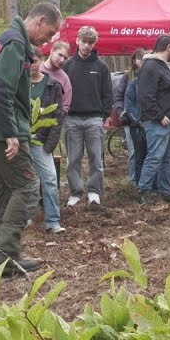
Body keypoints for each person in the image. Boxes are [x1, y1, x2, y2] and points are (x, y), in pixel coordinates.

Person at [0, 2, 63, 277]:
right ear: (41, 21)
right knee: (27, 187)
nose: (49, 40)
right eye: (51, 32)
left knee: (1, 193)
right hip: (1, 129)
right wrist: (10, 131)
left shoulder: (10, 38)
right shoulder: (15, 42)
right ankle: (7, 255)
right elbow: (0, 87)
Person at [136, 35, 170, 204]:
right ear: (168, 47)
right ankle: (144, 191)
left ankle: (166, 191)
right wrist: (159, 116)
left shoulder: (166, 67)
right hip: (158, 121)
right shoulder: (150, 67)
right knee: (155, 156)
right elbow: (145, 96)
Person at [63, 26, 113, 206]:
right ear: (77, 41)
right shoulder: (67, 65)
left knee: (96, 159)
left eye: (90, 43)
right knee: (73, 159)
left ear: (94, 44)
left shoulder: (101, 67)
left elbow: (108, 94)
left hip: (94, 119)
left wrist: (104, 115)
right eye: (84, 41)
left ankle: (94, 191)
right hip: (72, 119)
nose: (86, 46)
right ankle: (75, 192)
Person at [27, 47, 67, 233]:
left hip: (41, 142)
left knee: (50, 179)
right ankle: (24, 218)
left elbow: (57, 117)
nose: (30, 65)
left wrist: (50, 144)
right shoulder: (19, 84)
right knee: (25, 182)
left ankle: (52, 221)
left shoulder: (52, 85)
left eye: (34, 61)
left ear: (40, 60)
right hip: (20, 140)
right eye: (27, 61)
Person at [124, 48, 148, 184]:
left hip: (151, 124)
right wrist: (137, 120)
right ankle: (138, 182)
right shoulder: (133, 82)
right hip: (137, 125)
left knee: (151, 155)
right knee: (139, 154)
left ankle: (150, 183)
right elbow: (129, 104)